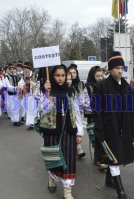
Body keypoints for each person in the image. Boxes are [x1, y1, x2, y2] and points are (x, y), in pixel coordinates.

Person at [93, 51, 134, 199]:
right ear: (110, 69)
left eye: (122, 67)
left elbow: (132, 111)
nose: (120, 70)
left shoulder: (127, 87)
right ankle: (121, 192)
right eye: (117, 67)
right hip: (109, 130)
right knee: (114, 159)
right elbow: (97, 111)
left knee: (117, 156)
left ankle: (109, 180)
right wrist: (99, 131)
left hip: (123, 130)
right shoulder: (101, 86)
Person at [40, 65, 84, 199]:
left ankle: (67, 191)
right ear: (53, 76)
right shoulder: (47, 90)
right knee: (54, 157)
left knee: (69, 159)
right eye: (57, 75)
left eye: (63, 75)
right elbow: (43, 110)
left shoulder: (70, 91)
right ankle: (52, 179)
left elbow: (76, 112)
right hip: (52, 130)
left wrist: (79, 132)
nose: (60, 78)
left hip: (68, 129)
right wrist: (47, 94)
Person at [82, 65, 108, 171]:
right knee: (97, 139)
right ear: (93, 76)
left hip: (105, 116)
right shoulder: (88, 87)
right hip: (94, 117)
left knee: (104, 139)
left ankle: (103, 158)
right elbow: (85, 102)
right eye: (98, 76)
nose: (100, 78)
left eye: (101, 76)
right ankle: (98, 160)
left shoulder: (105, 85)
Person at [67, 64, 86, 158]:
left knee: (78, 127)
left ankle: (78, 147)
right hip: (70, 111)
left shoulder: (80, 84)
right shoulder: (66, 85)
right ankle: (74, 148)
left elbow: (83, 96)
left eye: (74, 73)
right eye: (70, 73)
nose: (73, 74)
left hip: (79, 110)